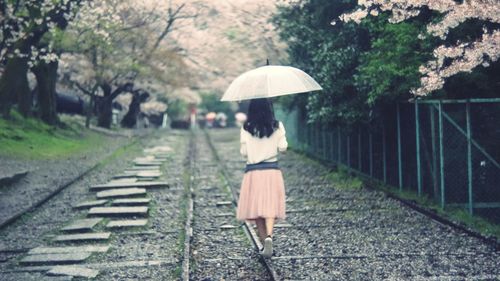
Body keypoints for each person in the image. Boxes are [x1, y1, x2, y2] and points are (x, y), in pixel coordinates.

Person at [236, 98, 287, 258]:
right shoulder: (277, 126)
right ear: (269, 108)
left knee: (256, 208)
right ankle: (270, 236)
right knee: (270, 205)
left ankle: (265, 240)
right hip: (272, 170)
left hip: (253, 172)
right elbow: (283, 147)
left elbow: (244, 153)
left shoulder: (246, 127)